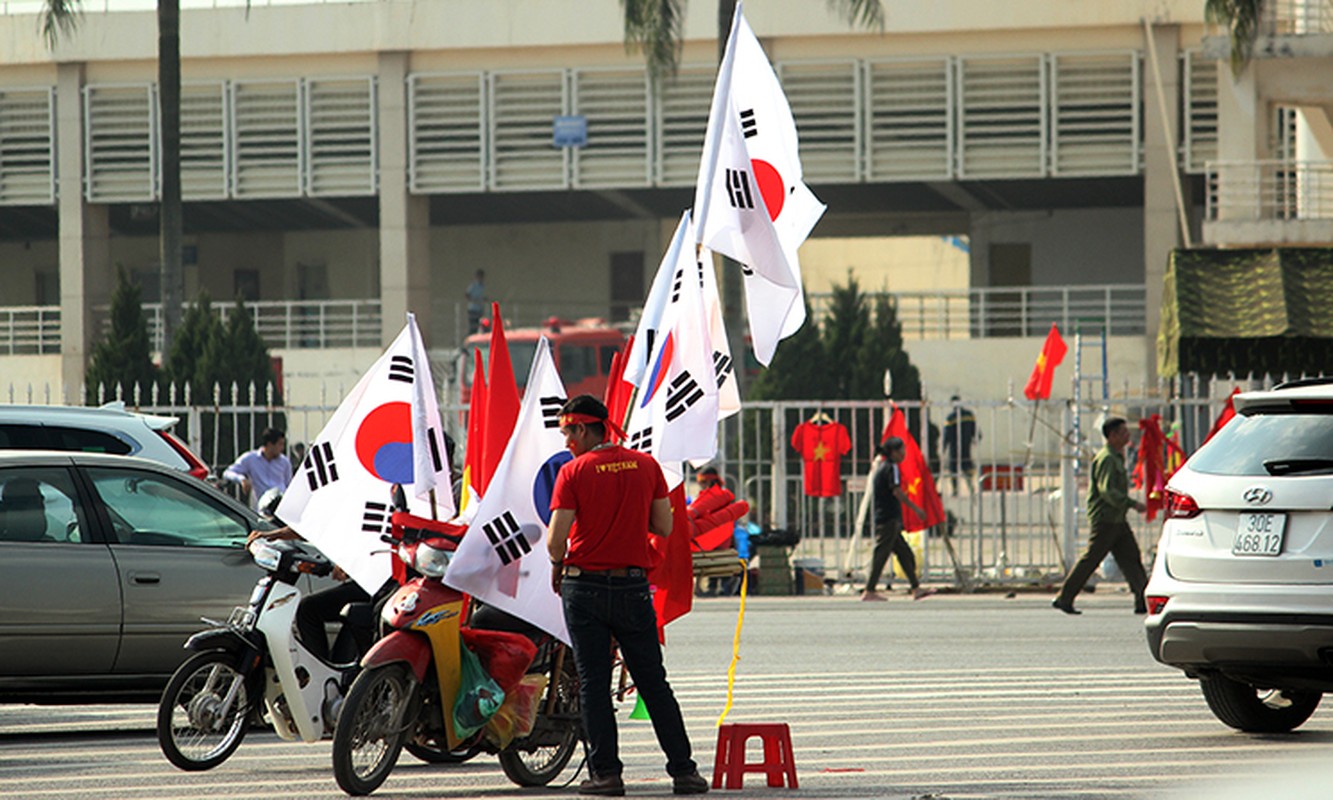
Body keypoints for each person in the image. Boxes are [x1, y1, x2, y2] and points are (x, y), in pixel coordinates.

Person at [545, 395, 708, 797]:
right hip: (634, 587)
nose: (566, 442)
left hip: (584, 588)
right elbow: (664, 526)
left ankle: (607, 775)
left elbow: (554, 542)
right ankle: (684, 772)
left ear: (583, 428)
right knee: (653, 682)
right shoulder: (646, 465)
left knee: (594, 684)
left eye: (568, 433)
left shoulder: (573, 472)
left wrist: (558, 563)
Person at [1053, 416, 1150, 615]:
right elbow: (1107, 491)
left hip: (1116, 519)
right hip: (1106, 519)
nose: (1127, 436)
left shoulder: (1115, 456)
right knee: (1091, 559)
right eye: (1123, 432)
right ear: (1112, 436)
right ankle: (1064, 597)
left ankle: (1143, 599)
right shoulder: (1107, 459)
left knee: (1131, 558)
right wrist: (1131, 504)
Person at [862, 437, 934, 602]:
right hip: (888, 518)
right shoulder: (892, 467)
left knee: (904, 553)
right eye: (901, 450)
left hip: (888, 518)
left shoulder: (884, 467)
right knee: (881, 554)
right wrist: (915, 509)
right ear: (893, 452)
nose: (904, 454)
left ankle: (916, 588)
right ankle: (869, 590)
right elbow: (897, 491)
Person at [223, 427, 292, 509]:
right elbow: (227, 473)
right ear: (270, 444)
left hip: (281, 506)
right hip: (260, 508)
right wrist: (242, 479)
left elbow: (289, 484)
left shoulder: (284, 462)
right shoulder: (251, 459)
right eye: (280, 444)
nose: (282, 448)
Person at [942, 396, 979, 495]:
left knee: (953, 468)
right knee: (967, 466)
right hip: (966, 445)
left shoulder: (951, 417)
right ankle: (971, 487)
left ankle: (955, 490)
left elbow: (947, 434)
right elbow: (975, 429)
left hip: (954, 447)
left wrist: (943, 447)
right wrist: (976, 438)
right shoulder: (969, 415)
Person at [465, 269, 487, 333]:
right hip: (473, 308)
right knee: (473, 326)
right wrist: (474, 300)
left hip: (480, 309)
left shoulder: (483, 286)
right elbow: (466, 295)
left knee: (481, 326)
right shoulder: (473, 285)